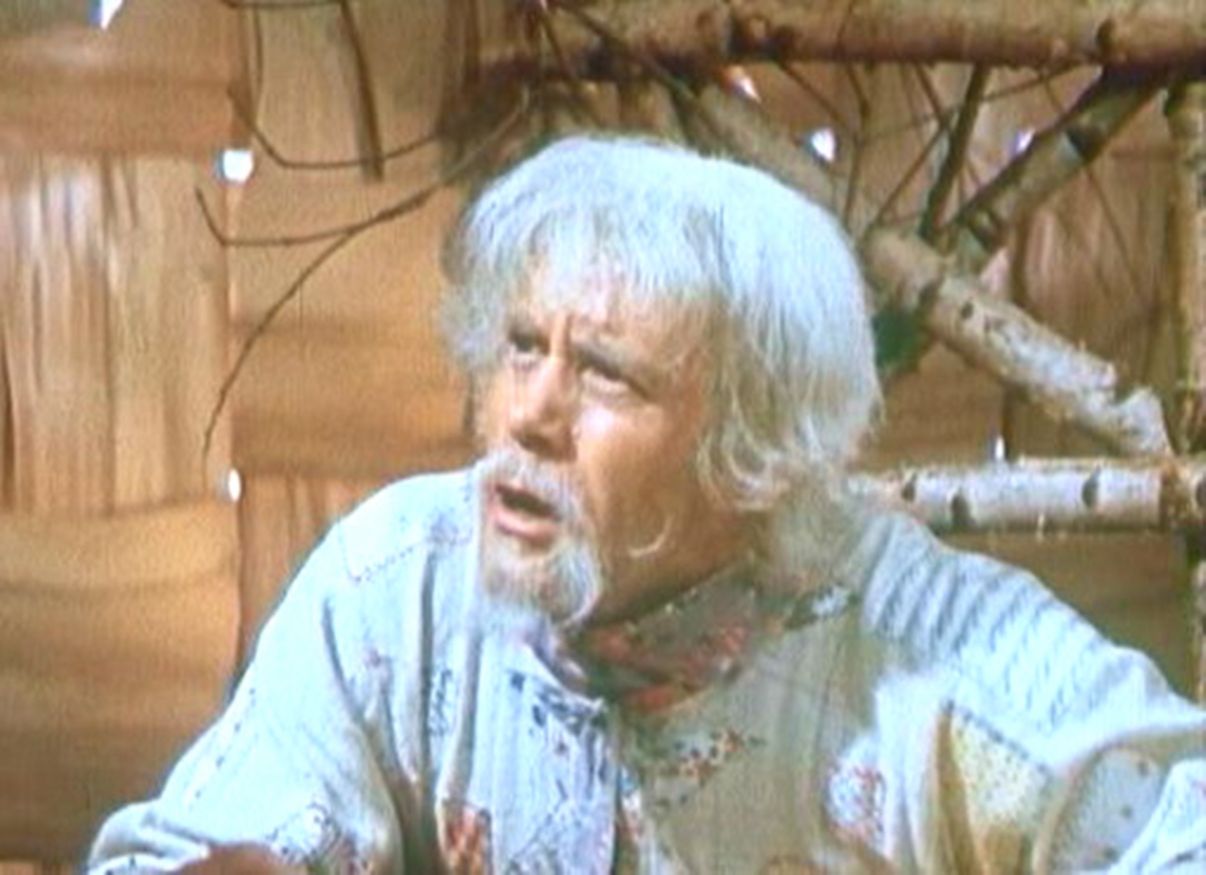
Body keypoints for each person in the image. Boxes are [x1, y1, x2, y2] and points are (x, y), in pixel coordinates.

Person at [88, 136, 1206, 873]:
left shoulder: (924, 653)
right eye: (522, 347)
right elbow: (182, 849)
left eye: (606, 374)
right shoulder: (397, 586)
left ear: (749, 448)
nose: (530, 413)